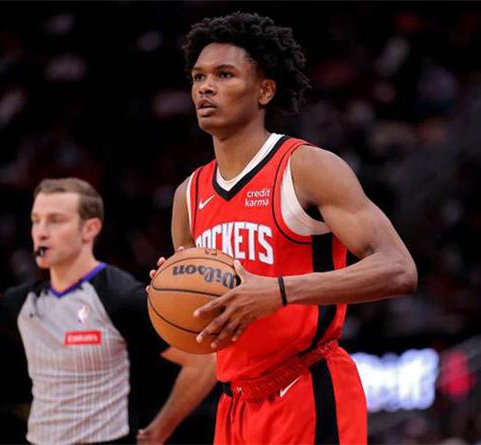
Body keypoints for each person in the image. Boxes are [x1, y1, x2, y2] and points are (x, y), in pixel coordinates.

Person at [160, 11, 418, 444]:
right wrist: (171, 300)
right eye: (198, 76)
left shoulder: (306, 167)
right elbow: (204, 332)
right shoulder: (188, 195)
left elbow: (399, 269)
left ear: (264, 90)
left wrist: (279, 291)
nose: (205, 87)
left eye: (224, 75)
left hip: (307, 386)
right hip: (234, 404)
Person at [0, 177, 216, 445]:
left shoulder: (117, 294)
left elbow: (205, 362)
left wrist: (159, 431)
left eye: (55, 220)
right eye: (36, 221)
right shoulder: (26, 303)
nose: (41, 232)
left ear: (90, 229)